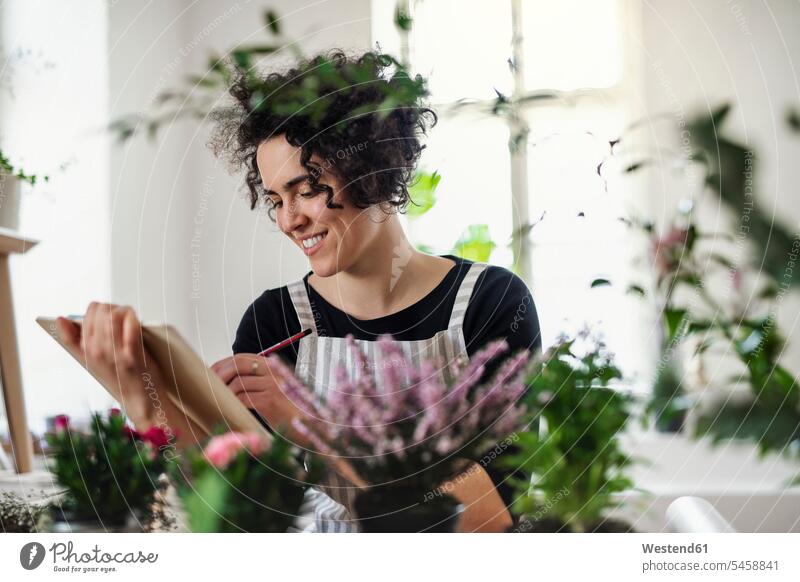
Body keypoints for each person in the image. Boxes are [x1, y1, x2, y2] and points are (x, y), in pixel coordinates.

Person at [57, 50, 541, 533]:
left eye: (306, 189)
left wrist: (312, 423)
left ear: (374, 168)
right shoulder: (274, 320)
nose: (289, 220)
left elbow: (494, 517)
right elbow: (242, 512)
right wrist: (142, 394)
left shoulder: (491, 303)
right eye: (275, 199)